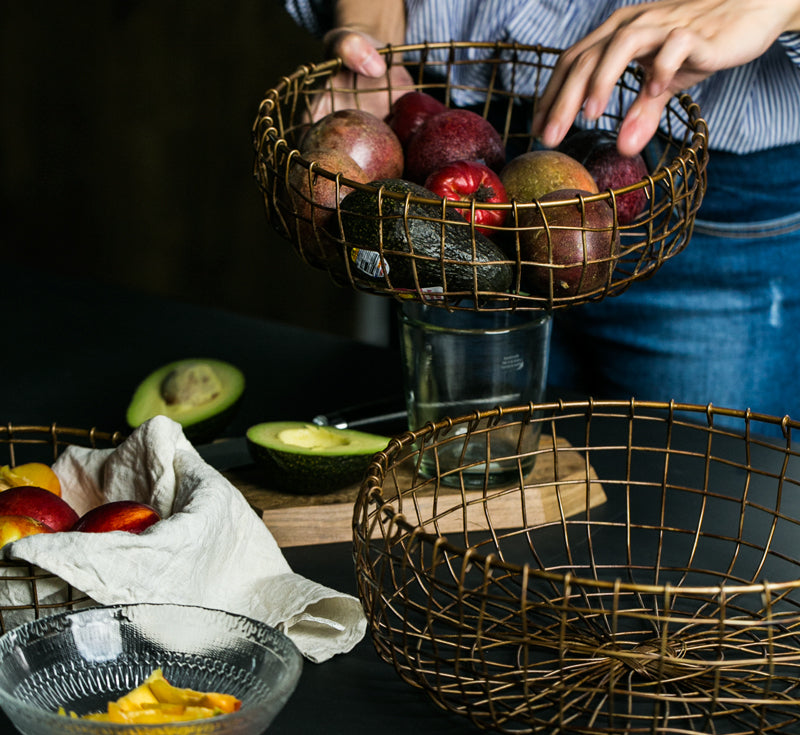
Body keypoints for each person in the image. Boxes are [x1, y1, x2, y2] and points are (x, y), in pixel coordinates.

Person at [284, 0, 800, 436]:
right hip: (445, 143)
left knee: (685, 522)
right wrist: (372, 29)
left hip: (699, 194)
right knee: (456, 512)